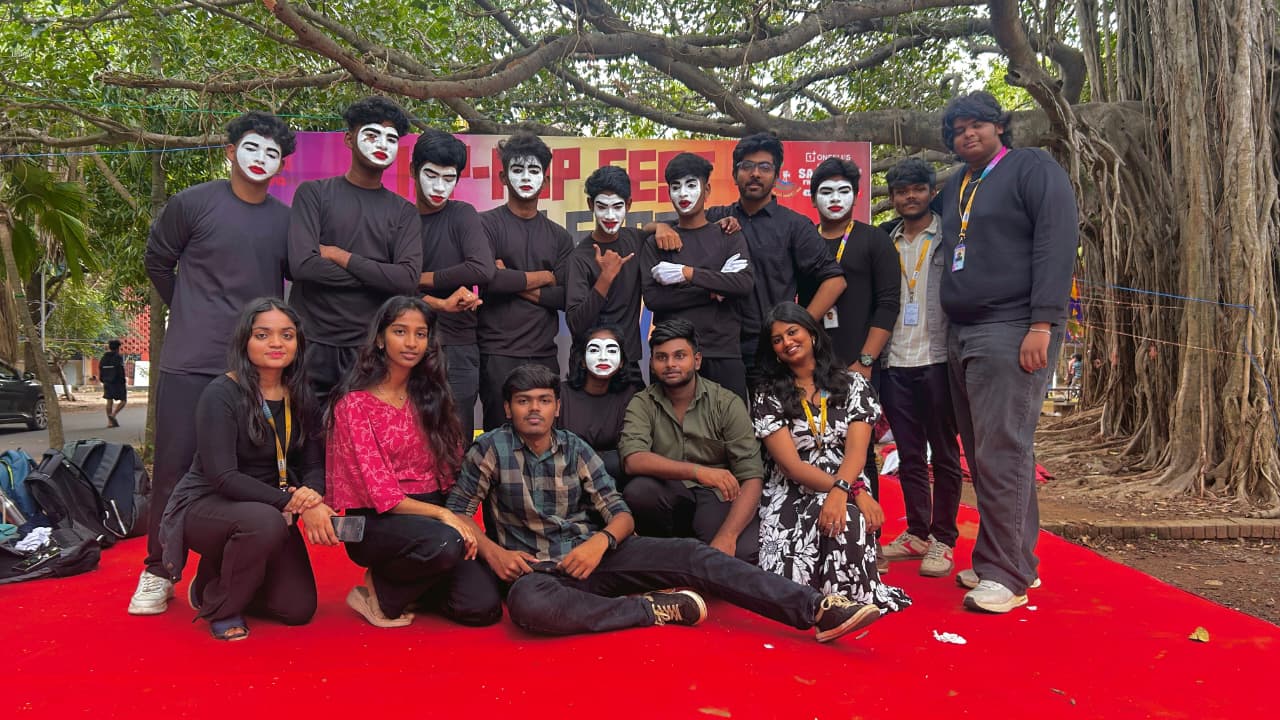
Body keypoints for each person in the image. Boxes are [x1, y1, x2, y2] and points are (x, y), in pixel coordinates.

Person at [445, 364, 882, 641]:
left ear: (557, 407)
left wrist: (599, 543)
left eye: (543, 401)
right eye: (523, 402)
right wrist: (493, 552)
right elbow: (458, 513)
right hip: (538, 574)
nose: (534, 410)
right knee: (528, 607)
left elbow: (620, 514)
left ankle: (815, 608)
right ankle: (650, 609)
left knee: (693, 554)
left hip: (596, 557)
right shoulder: (490, 449)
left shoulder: (575, 448)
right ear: (508, 408)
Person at [135, 111, 297, 616]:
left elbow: (300, 282)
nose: (261, 159)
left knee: (242, 471)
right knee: (174, 466)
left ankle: (220, 567)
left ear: (282, 166)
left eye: (272, 153)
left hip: (255, 371)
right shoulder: (192, 203)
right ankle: (158, 570)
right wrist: (188, 309)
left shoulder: (286, 220)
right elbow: (157, 262)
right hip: (190, 360)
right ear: (230, 151)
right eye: (252, 147)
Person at [937, 92, 1077, 613]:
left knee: (1003, 450)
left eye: (977, 124)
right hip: (962, 330)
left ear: (1000, 126)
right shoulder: (957, 184)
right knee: (984, 451)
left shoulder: (1032, 167)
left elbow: (1056, 243)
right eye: (957, 130)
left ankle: (1007, 575)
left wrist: (1043, 322)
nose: (967, 134)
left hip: (1013, 325)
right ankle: (1011, 558)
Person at [157, 298, 337, 641]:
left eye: (287, 335)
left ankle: (217, 574)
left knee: (298, 610)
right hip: (208, 504)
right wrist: (291, 503)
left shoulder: (301, 393)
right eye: (263, 335)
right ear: (245, 341)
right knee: (263, 522)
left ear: (298, 343)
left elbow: (314, 463)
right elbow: (223, 477)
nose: (276, 343)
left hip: (271, 507)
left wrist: (312, 496)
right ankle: (223, 607)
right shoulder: (221, 394)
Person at [326, 296, 502, 628]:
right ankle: (382, 591)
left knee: (482, 608)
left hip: (434, 519)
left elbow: (451, 473)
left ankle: (417, 582)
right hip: (377, 522)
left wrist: (457, 517)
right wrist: (444, 516)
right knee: (447, 542)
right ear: (380, 339)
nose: (411, 343)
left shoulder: (433, 397)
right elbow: (382, 494)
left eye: (420, 334)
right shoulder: (354, 405)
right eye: (400, 331)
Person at [751, 302, 911, 612]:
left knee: (847, 517)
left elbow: (856, 452)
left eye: (793, 332)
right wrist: (852, 491)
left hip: (847, 475)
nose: (787, 342)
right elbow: (791, 466)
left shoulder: (853, 384)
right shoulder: (768, 394)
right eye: (777, 339)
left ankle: (843, 604)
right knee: (787, 575)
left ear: (812, 334)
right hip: (793, 489)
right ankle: (818, 602)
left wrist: (844, 490)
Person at [650, 133, 846, 373]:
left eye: (765, 167)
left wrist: (797, 328)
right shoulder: (716, 217)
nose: (755, 174)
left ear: (776, 175)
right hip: (716, 346)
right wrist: (660, 227)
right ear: (734, 174)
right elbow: (676, 224)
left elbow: (835, 280)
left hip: (768, 348)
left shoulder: (794, 225)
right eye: (747, 166)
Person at [800, 156, 900, 571]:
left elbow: (888, 303)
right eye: (826, 191)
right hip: (809, 364)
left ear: (857, 196)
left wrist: (866, 360)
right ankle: (813, 534)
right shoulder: (804, 239)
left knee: (860, 450)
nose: (835, 199)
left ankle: (869, 540)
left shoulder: (874, 240)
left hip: (858, 365)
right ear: (813, 198)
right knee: (812, 445)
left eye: (843, 191)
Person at [288, 96, 422, 400]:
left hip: (370, 348)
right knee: (305, 429)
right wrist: (380, 276)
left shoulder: (404, 211)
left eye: (391, 139)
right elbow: (303, 266)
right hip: (311, 342)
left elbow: (406, 280)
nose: (382, 144)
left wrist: (340, 256)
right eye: (372, 134)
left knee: (363, 432)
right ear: (349, 139)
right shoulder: (313, 194)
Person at [877, 158, 965, 578]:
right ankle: (916, 532)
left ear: (931, 192)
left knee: (944, 453)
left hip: (938, 359)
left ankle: (943, 537)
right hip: (894, 361)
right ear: (893, 197)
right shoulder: (885, 240)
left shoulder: (951, 237)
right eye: (901, 191)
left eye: (917, 189)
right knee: (909, 453)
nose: (909, 197)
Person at [619, 319, 763, 563]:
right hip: (669, 494)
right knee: (639, 492)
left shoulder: (725, 402)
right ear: (652, 364)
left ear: (697, 360)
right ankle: (667, 557)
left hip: (716, 495)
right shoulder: (643, 402)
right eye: (661, 357)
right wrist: (698, 471)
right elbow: (633, 459)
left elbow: (752, 476)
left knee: (741, 552)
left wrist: (728, 536)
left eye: (679, 356)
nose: (670, 364)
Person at [477, 131, 574, 431]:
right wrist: (545, 277)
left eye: (534, 170)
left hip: (544, 352)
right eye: (517, 170)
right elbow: (489, 281)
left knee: (544, 436)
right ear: (503, 177)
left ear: (546, 180)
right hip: (497, 351)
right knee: (499, 436)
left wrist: (512, 278)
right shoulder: (485, 224)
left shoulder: (560, 236)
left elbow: (564, 297)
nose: (526, 177)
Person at [640, 153, 754, 401]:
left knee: (729, 424)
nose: (683, 193)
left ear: (707, 189)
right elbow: (654, 299)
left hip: (723, 352)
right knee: (669, 425)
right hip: (672, 356)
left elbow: (743, 284)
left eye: (691, 185)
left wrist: (687, 274)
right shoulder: (658, 242)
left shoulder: (729, 235)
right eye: (675, 187)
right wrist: (714, 287)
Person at [412, 129, 495, 440]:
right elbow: (385, 285)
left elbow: (482, 268)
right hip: (406, 342)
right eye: (431, 175)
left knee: (456, 437)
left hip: (458, 344)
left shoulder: (462, 214)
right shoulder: (399, 216)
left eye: (449, 178)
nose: (439, 187)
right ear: (413, 170)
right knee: (409, 435)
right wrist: (437, 302)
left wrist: (418, 279)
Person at [565, 166, 645, 389]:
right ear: (590, 204)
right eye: (602, 207)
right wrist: (605, 278)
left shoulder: (635, 238)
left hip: (628, 363)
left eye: (617, 207)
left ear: (628, 204)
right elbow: (576, 323)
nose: (610, 216)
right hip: (588, 367)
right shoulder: (579, 258)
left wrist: (661, 228)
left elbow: (674, 227)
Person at [557, 326, 637, 486]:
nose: (603, 358)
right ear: (582, 361)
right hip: (564, 476)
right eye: (594, 350)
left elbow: (627, 451)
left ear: (621, 362)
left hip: (610, 477)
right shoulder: (561, 393)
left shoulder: (628, 395)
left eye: (611, 351)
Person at [100, 339, 127, 428]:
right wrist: (123, 380)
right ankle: (113, 414)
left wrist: (103, 379)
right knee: (123, 400)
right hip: (118, 382)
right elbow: (120, 370)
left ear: (110, 347)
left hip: (107, 382)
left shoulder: (104, 358)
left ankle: (109, 422)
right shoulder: (118, 357)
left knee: (109, 401)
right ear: (118, 348)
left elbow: (100, 369)